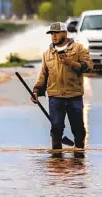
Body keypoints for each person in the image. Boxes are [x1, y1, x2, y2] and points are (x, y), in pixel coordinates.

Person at [31, 22, 93, 150]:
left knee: (78, 129)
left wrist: (71, 63)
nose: (54, 36)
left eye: (57, 33)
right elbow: (43, 75)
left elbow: (88, 67)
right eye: (52, 33)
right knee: (56, 128)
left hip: (74, 96)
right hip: (55, 97)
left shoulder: (79, 49)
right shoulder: (47, 54)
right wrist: (36, 91)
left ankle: (79, 159)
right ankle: (56, 160)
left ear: (65, 33)